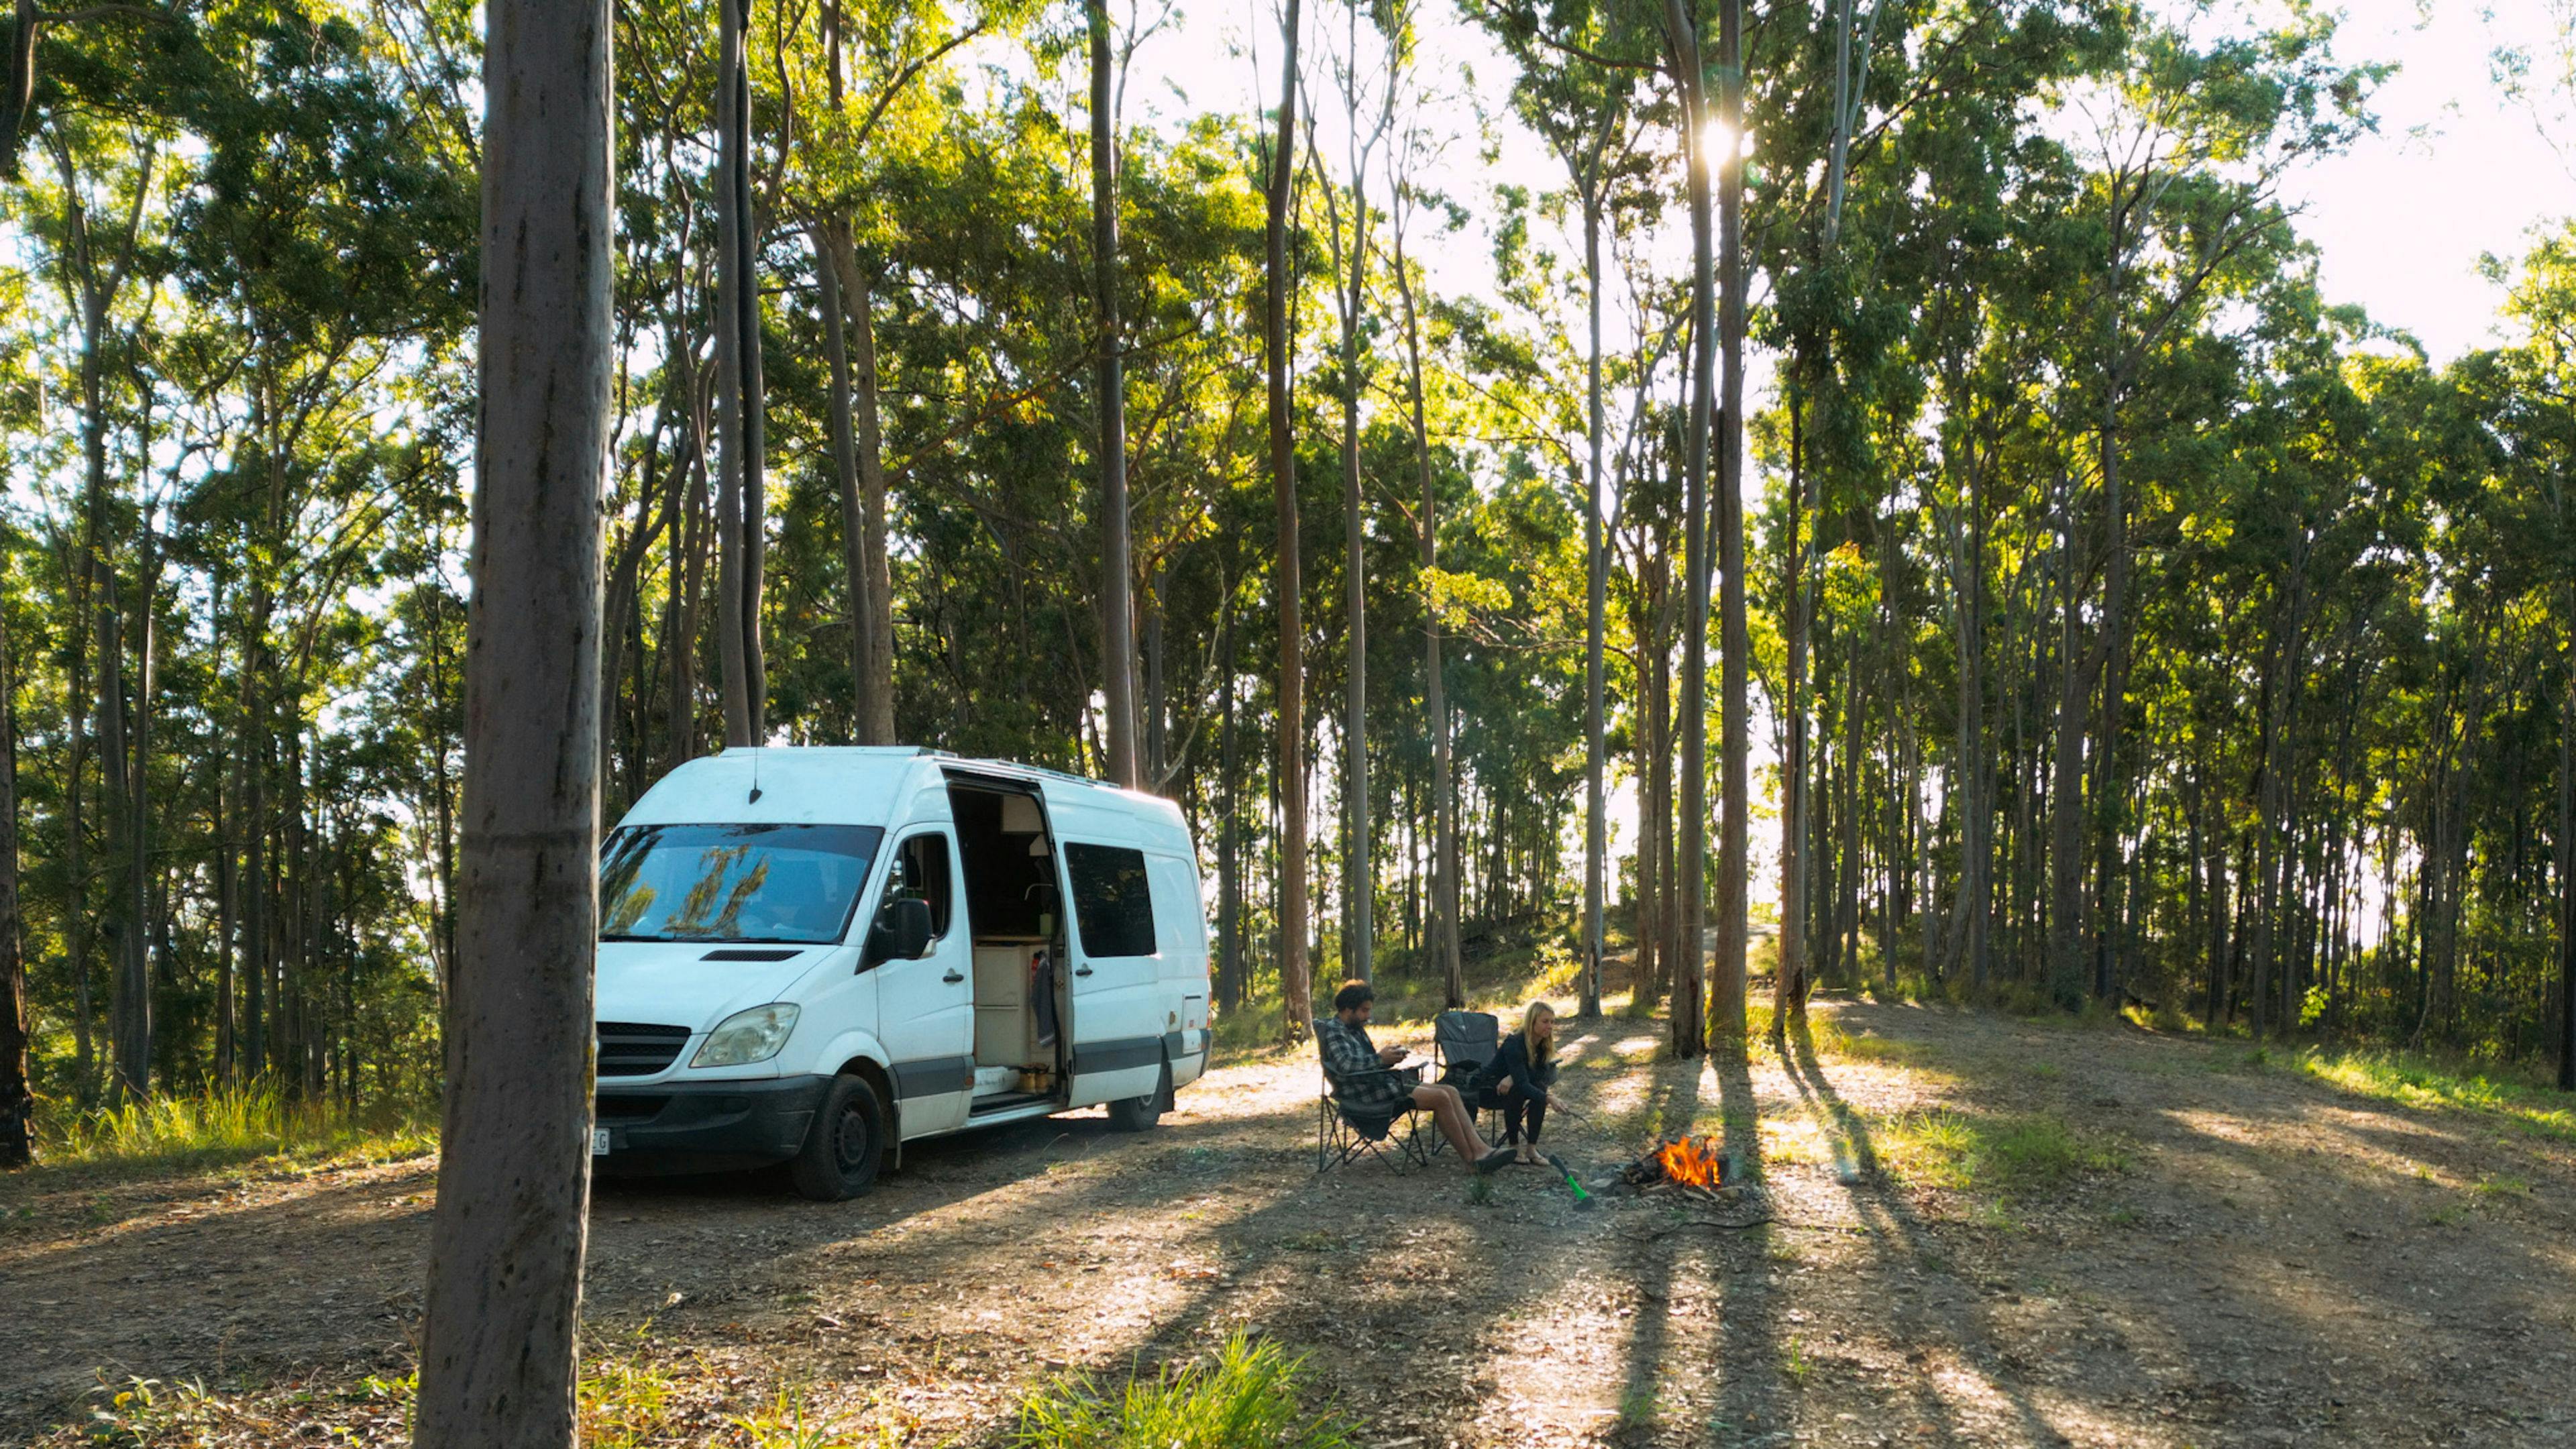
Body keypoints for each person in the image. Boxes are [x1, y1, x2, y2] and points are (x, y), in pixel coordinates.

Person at [1317, 980, 1515, 1173]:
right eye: (1364, 1011)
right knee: (1440, 1098)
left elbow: (1363, 1061)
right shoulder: (1335, 1031)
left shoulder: (1354, 1029)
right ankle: (1472, 1161)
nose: (1367, 1016)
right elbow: (1346, 1066)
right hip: (1363, 1094)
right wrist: (1380, 1059)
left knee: (1451, 1091)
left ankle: (1481, 1150)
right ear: (1348, 1009)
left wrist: (1388, 1058)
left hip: (1378, 1082)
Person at [1481, 1000, 1560, 1165]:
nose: (1550, 1026)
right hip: (1489, 1089)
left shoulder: (1543, 1045)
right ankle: (1514, 1147)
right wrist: (1550, 1099)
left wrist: (1512, 1077)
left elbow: (1541, 1073)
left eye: (1552, 1022)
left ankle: (1531, 1148)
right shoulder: (1514, 1043)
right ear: (1532, 1022)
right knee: (1519, 1090)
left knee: (1539, 1088)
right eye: (1545, 1022)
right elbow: (1523, 1083)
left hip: (1512, 1086)